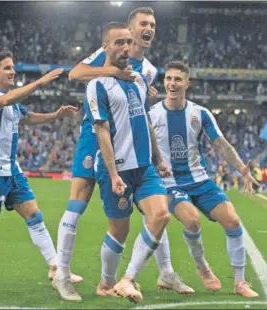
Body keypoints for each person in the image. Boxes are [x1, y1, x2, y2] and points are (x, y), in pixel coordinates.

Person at [54, 7, 192, 301]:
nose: (148, 28)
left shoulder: (149, 72)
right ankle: (61, 272)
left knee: (154, 214)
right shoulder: (108, 58)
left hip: (133, 150)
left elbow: (139, 109)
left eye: (152, 24)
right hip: (95, 138)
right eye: (143, 23)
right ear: (129, 29)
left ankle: (162, 271)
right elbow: (76, 74)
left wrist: (156, 155)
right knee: (77, 204)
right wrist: (114, 71)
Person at [0, 51, 78, 284]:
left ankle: (56, 268)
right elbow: (4, 101)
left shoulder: (13, 103)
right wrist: (40, 82)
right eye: (7, 68)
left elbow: (28, 117)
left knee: (34, 215)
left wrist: (56, 115)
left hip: (12, 169)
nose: (13, 71)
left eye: (13, 67)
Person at [72, 22, 172, 304]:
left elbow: (146, 122)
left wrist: (159, 158)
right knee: (120, 230)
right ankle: (106, 283)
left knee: (161, 216)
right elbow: (101, 130)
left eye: (128, 42)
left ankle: (127, 278)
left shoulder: (139, 81)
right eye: (119, 42)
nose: (126, 47)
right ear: (105, 46)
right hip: (115, 170)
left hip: (144, 167)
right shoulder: (97, 85)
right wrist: (114, 174)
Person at [148, 61, 260, 298]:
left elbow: (221, 145)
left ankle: (240, 283)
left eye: (178, 79)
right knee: (192, 221)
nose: (172, 83)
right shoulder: (153, 114)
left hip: (199, 179)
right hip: (169, 183)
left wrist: (242, 169)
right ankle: (202, 266)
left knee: (232, 220)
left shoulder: (200, 113)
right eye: (168, 79)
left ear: (187, 83)